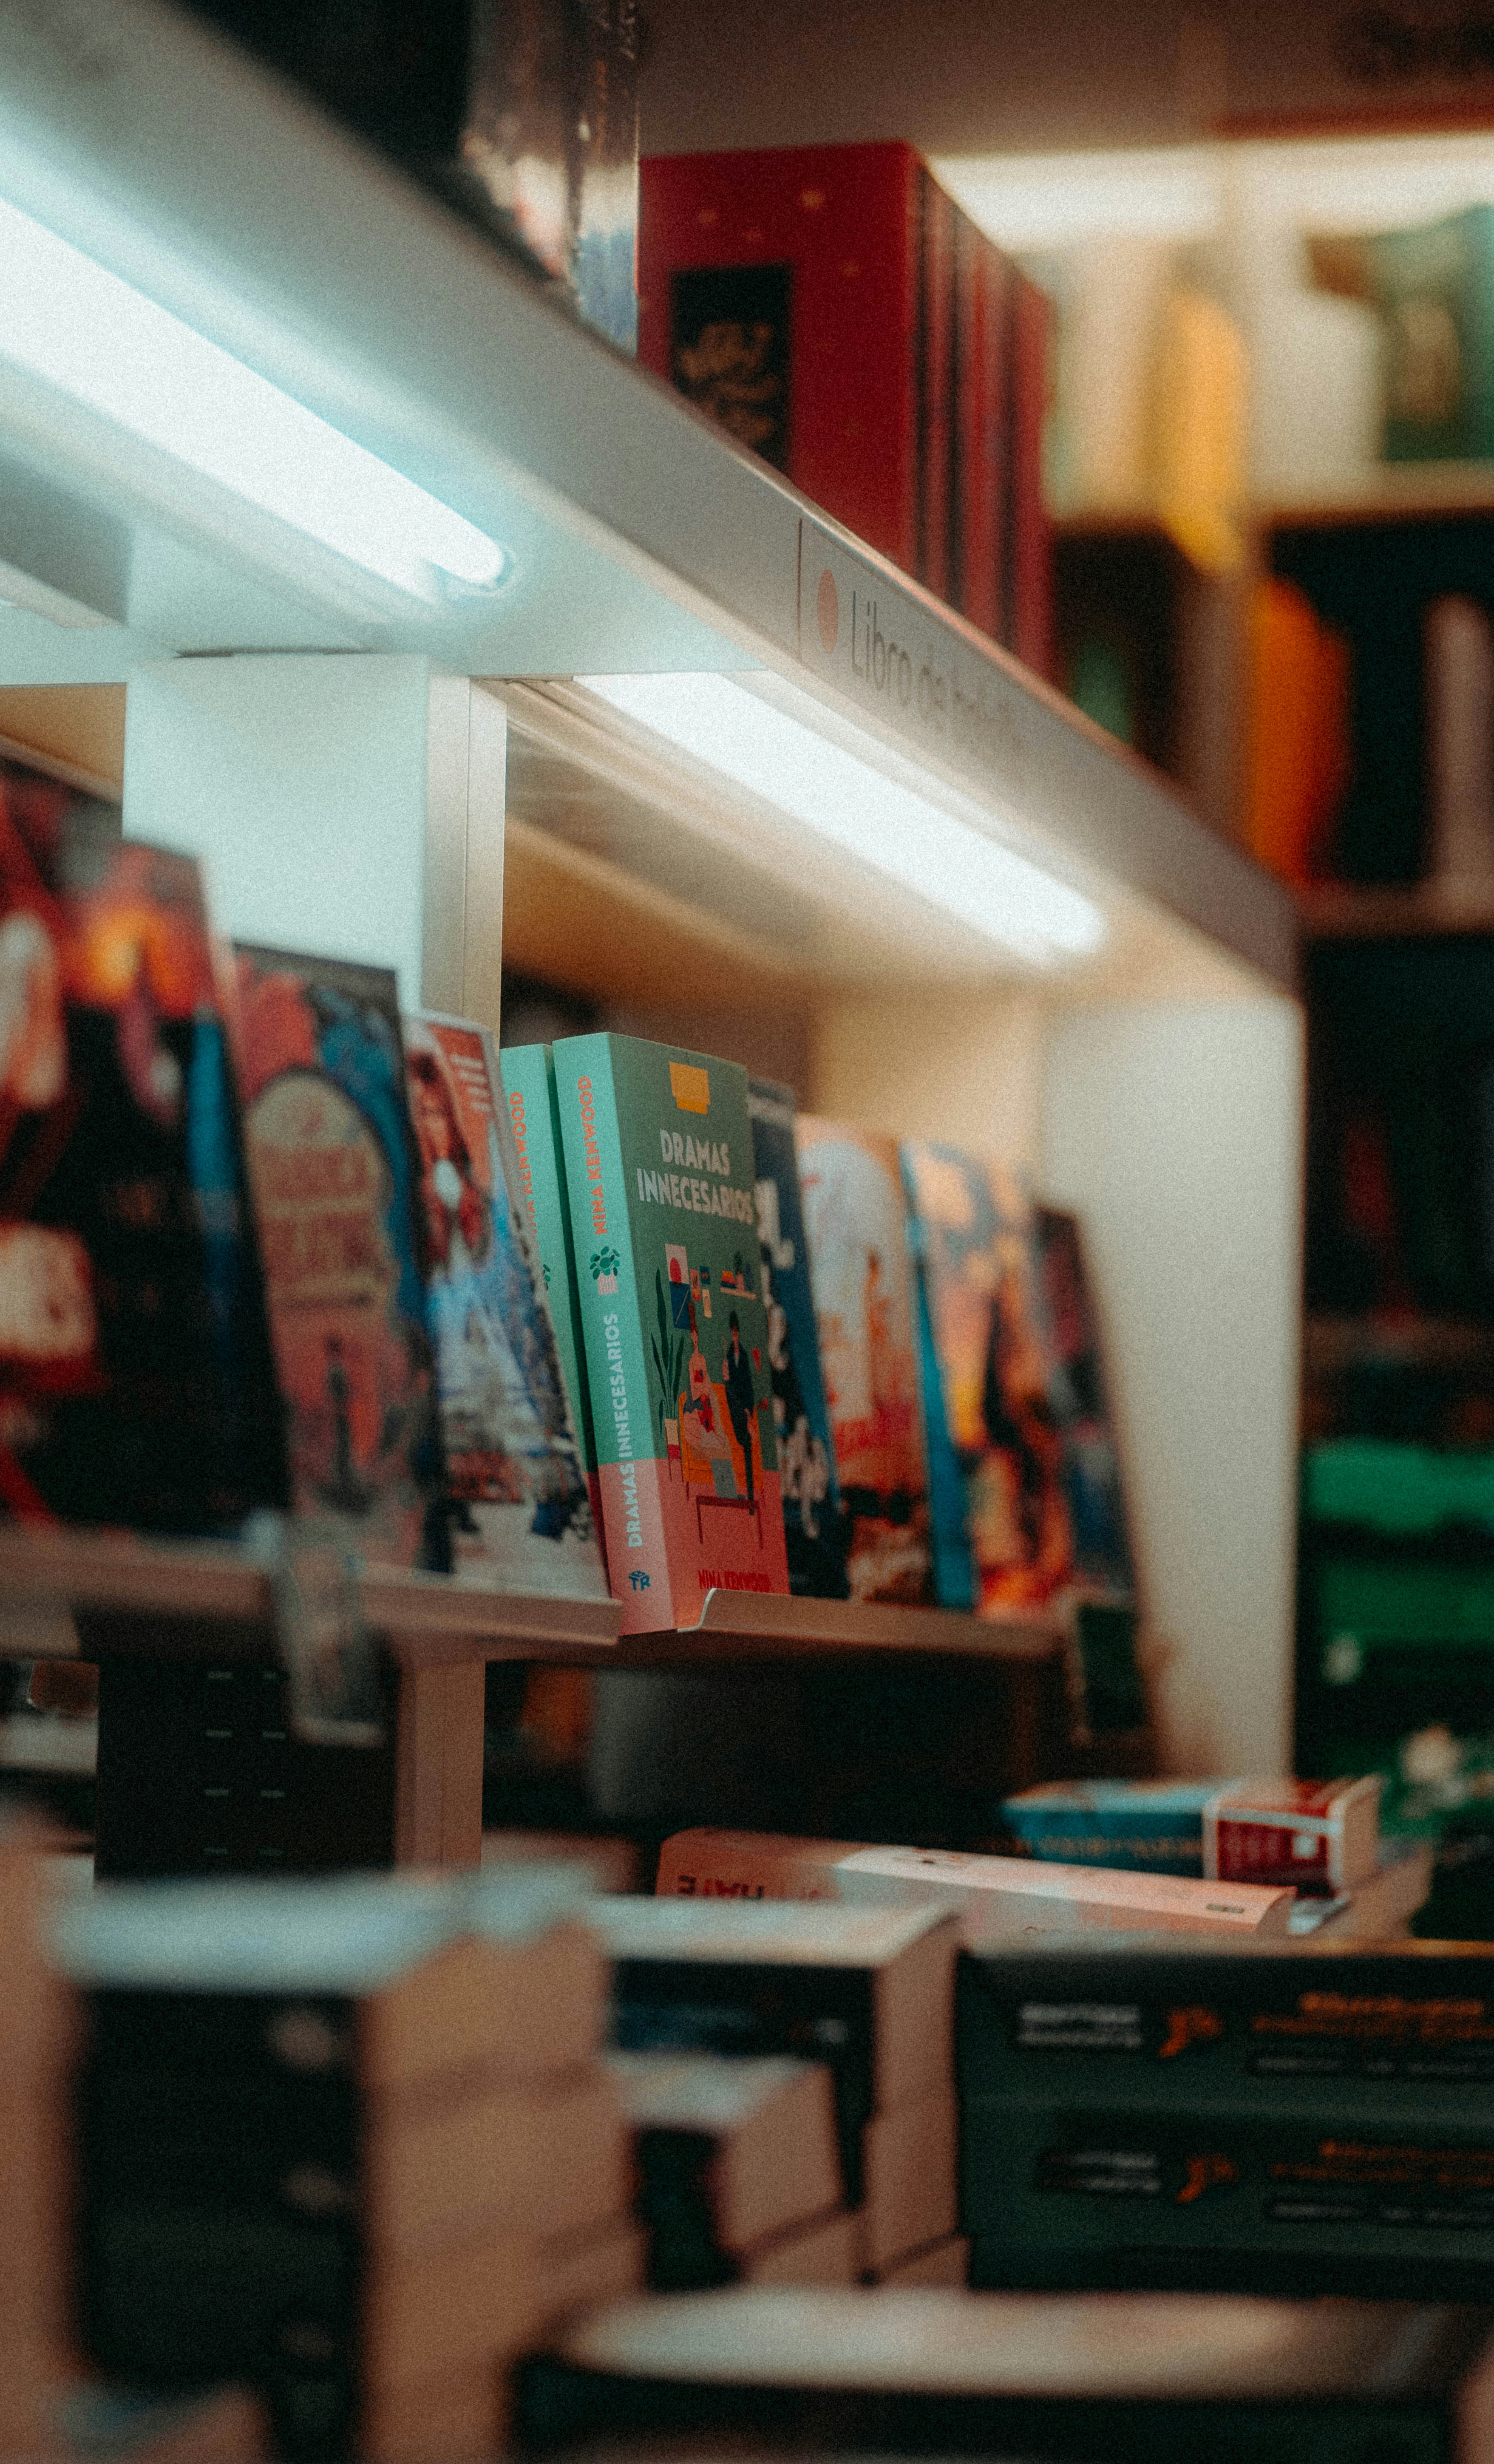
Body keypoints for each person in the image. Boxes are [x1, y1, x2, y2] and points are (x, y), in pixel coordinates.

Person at [723, 1308, 757, 1507]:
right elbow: (730, 1384)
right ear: (731, 1332)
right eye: (732, 1331)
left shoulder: (743, 1354)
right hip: (735, 1406)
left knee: (748, 1451)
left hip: (745, 1404)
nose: (735, 1334)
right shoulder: (729, 1355)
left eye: (737, 1330)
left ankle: (751, 1496)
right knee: (743, 1440)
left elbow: (749, 1384)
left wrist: (749, 1410)